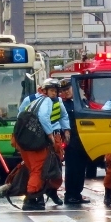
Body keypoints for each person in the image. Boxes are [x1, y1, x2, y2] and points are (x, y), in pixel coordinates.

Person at [19, 78, 71, 211]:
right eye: (52, 90)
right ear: (43, 90)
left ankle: (50, 191)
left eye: (56, 91)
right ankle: (36, 196)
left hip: (53, 135)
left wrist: (66, 130)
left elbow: (63, 116)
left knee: (55, 166)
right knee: (40, 167)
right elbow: (24, 117)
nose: (55, 93)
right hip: (39, 138)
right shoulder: (34, 99)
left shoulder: (58, 101)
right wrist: (49, 135)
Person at [59, 79, 91, 205]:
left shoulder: (82, 102)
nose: (65, 92)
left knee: (81, 169)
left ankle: (77, 193)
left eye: (67, 89)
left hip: (83, 141)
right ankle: (70, 195)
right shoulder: (63, 105)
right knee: (72, 169)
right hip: (71, 142)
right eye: (63, 90)